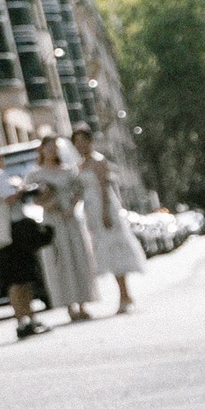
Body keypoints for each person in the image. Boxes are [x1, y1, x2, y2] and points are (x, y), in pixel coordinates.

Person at [0, 143, 47, 338]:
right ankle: (25, 318)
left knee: (18, 278)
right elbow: (10, 198)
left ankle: (26, 317)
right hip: (12, 230)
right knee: (20, 278)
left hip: (6, 231)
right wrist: (25, 190)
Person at [73, 123, 143, 312]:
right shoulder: (80, 165)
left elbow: (104, 187)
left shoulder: (98, 160)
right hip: (91, 210)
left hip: (104, 206)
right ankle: (125, 295)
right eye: (76, 142)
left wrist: (105, 211)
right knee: (105, 252)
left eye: (83, 141)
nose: (80, 145)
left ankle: (124, 295)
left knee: (115, 249)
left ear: (90, 141)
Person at [34, 132, 96, 321]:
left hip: (69, 219)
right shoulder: (36, 173)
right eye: (49, 147)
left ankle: (83, 302)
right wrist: (46, 204)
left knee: (78, 257)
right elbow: (32, 197)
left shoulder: (68, 170)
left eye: (56, 147)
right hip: (53, 221)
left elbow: (79, 189)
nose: (53, 151)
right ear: (42, 149)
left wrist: (73, 206)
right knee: (61, 261)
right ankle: (69, 305)